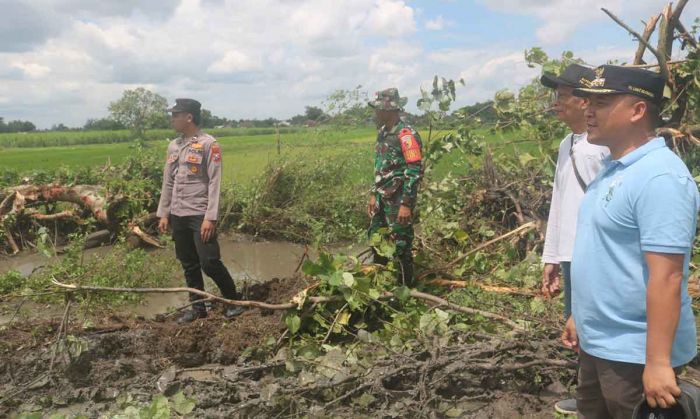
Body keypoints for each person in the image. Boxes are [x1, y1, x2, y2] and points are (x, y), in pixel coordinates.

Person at [563, 65, 699, 418]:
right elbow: (604, 254)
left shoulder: (660, 177)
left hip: (634, 353)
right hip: (600, 343)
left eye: (602, 102)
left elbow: (667, 277)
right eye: (588, 101)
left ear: (638, 111)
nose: (588, 110)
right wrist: (581, 314)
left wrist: (657, 363)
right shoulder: (615, 168)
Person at [539, 63, 609, 415]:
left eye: (562, 96)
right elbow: (559, 199)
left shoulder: (603, 147)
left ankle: (604, 397)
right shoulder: (568, 144)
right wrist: (551, 256)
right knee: (575, 324)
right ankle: (588, 396)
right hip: (570, 252)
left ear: (584, 102)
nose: (556, 103)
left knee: (591, 324)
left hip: (594, 253)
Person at [156, 98, 244, 323]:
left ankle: (233, 302)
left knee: (209, 261)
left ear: (189, 117)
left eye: (176, 115)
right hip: (178, 213)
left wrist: (210, 218)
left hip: (200, 214)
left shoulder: (209, 144)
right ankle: (198, 308)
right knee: (188, 264)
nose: (172, 119)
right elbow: (168, 182)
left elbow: (215, 182)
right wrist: (164, 213)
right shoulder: (173, 146)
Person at [367, 88, 423, 285]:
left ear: (388, 111)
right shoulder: (382, 133)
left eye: (378, 110)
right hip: (382, 198)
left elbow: (414, 170)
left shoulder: (406, 135)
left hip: (399, 199)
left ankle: (405, 291)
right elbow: (379, 166)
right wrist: (374, 194)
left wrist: (406, 204)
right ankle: (381, 285)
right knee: (377, 240)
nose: (375, 114)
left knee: (401, 246)